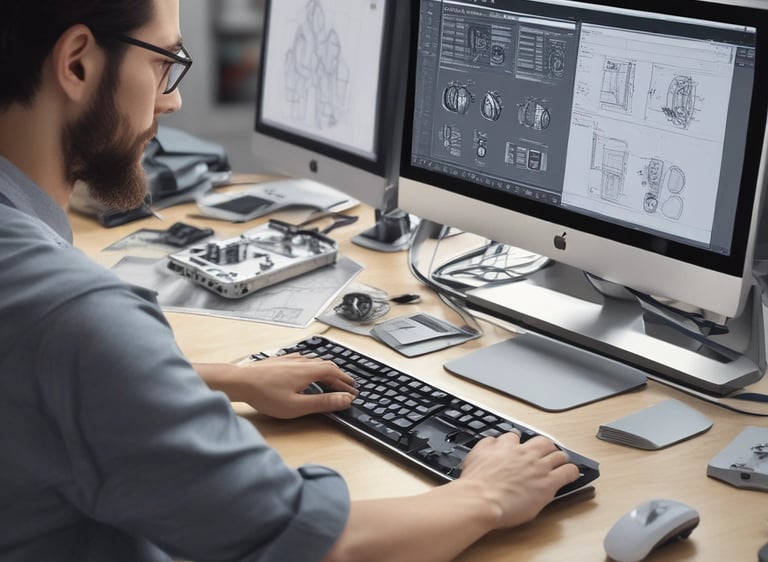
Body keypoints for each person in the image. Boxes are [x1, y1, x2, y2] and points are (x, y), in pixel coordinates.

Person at [0, 2, 580, 561]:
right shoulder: (75, 317)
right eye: (163, 62)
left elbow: (36, 377)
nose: (172, 99)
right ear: (77, 63)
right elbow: (316, 547)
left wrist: (223, 378)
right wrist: (486, 494)